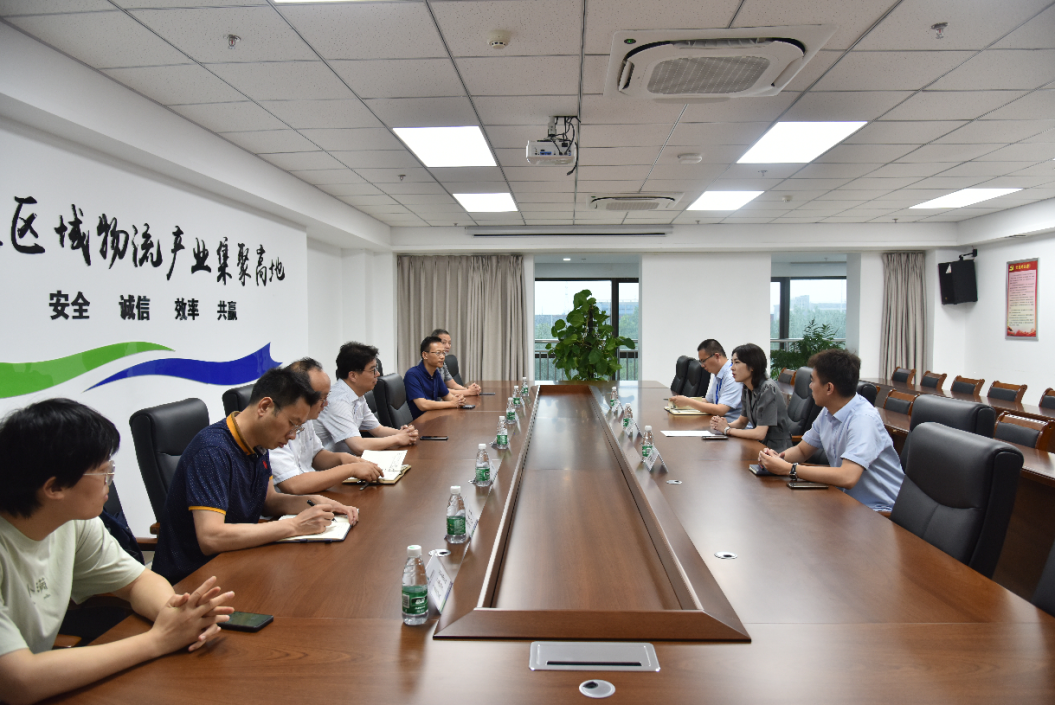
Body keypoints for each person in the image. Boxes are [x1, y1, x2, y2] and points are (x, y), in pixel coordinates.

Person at [0, 399, 234, 705]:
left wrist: (176, 615)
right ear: (54, 488)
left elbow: (137, 581)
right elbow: (18, 681)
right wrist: (159, 640)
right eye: (103, 471)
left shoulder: (73, 522)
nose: (109, 481)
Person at [152, 367, 358, 585]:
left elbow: (268, 502)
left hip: (238, 560)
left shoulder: (259, 442)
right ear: (265, 407)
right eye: (292, 423)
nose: (292, 435)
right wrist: (294, 525)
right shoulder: (212, 451)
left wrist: (313, 502)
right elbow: (211, 537)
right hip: (193, 580)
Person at [758, 349, 905, 512]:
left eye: (813, 381)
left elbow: (848, 477)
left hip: (878, 510)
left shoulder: (863, 420)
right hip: (846, 501)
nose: (810, 386)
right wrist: (776, 459)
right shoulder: (828, 411)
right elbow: (802, 450)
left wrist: (790, 469)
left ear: (829, 388)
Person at [269, 358, 383, 495]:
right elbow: (294, 485)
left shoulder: (307, 419)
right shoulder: (275, 426)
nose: (326, 404)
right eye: (322, 398)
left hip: (313, 493)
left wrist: (342, 459)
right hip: (292, 500)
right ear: (300, 396)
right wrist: (350, 469)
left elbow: (316, 455)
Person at [314, 342, 420, 454]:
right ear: (353, 375)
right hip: (329, 462)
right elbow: (358, 446)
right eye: (372, 370)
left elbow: (378, 430)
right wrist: (398, 438)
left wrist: (405, 434)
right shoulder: (337, 401)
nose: (377, 374)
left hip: (348, 458)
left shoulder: (357, 395)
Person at [709, 343, 793, 452]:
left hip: (777, 451)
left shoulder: (767, 389)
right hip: (760, 447)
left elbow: (759, 433)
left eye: (737, 363)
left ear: (752, 366)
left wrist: (727, 430)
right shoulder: (747, 387)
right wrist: (722, 425)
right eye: (732, 363)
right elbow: (742, 422)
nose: (732, 368)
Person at [668, 339, 743, 422]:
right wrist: (682, 400)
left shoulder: (732, 376)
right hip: (719, 422)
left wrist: (688, 402)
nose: (702, 365)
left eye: (703, 361)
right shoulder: (719, 374)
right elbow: (708, 401)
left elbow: (720, 410)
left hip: (732, 425)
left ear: (717, 356)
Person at [404, 336, 466, 419]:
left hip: (433, 417)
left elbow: (447, 396)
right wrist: (452, 403)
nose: (442, 357)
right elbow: (423, 405)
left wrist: (458, 400)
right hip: (419, 422)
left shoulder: (435, 373)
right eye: (438, 353)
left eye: (443, 353)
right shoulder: (412, 375)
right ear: (425, 355)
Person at [431, 328, 481, 396]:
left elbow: (452, 384)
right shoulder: (428, 362)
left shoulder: (442, 362)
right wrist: (468, 392)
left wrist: (469, 389)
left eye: (449, 343)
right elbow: (439, 390)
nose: (448, 346)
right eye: (443, 343)